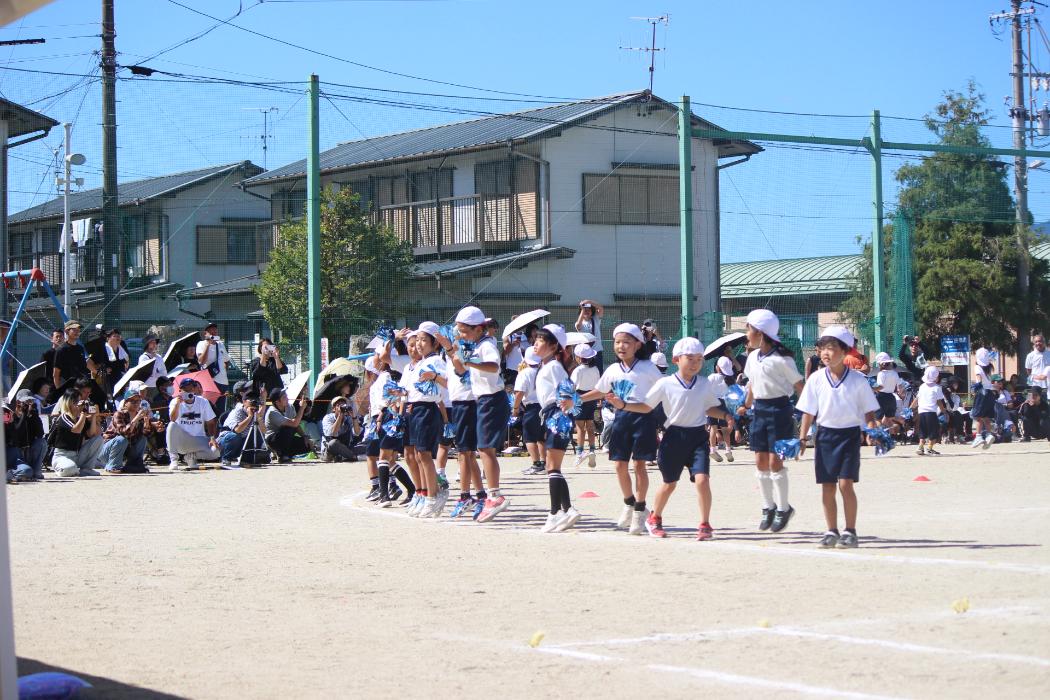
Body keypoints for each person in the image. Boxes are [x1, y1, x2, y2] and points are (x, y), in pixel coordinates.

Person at [613, 337, 736, 541]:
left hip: (698, 437)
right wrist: (623, 405)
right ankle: (655, 518)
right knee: (669, 483)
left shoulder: (704, 384)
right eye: (690, 358)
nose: (695, 363)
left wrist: (725, 415)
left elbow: (710, 407)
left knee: (702, 480)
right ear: (676, 359)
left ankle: (705, 524)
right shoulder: (665, 384)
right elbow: (646, 406)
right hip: (673, 438)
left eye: (699, 359)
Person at [797, 325, 879, 548]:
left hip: (849, 436)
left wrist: (872, 430)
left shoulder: (858, 380)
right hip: (825, 437)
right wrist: (803, 438)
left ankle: (850, 531)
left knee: (845, 484)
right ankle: (831, 530)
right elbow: (808, 411)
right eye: (822, 348)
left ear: (845, 352)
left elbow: (869, 411)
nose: (825, 353)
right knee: (827, 486)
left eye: (831, 348)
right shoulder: (815, 379)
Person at [580, 322, 664, 536]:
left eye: (626, 342)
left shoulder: (647, 367)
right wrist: (575, 400)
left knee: (639, 466)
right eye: (617, 342)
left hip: (643, 418)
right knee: (619, 465)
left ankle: (639, 509)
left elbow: (664, 389)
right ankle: (629, 502)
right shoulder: (613, 369)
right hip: (621, 419)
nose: (621, 346)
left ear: (638, 344)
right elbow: (599, 390)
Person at [435, 305, 511, 523]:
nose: (462, 335)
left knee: (485, 448)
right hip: (483, 400)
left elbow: (493, 366)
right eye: (459, 330)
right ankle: (490, 496)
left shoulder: (487, 345)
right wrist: (454, 351)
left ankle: (493, 495)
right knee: (482, 448)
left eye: (465, 331)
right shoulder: (474, 345)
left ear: (479, 329)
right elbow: (460, 370)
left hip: (491, 399)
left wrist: (467, 360)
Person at [739, 309, 804, 533]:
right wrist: (745, 404)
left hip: (779, 410)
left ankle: (784, 508)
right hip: (760, 411)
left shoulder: (782, 359)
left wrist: (808, 412)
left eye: (748, 328)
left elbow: (798, 386)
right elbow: (751, 385)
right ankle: (768, 507)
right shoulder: (752, 358)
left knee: (776, 462)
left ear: (760, 332)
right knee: (759, 461)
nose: (746, 333)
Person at [533, 324, 582, 533]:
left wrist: (563, 411)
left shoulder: (553, 367)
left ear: (554, 347)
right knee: (554, 467)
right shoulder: (546, 366)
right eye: (536, 339)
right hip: (552, 415)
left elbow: (567, 390)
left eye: (541, 340)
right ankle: (567, 509)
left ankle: (555, 513)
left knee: (552, 466)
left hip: (556, 415)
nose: (536, 343)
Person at [399, 322, 449, 518]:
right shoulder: (419, 363)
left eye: (423, 340)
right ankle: (425, 493)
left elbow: (447, 383)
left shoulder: (436, 361)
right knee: (418, 455)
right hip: (414, 408)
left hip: (428, 409)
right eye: (417, 340)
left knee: (425, 454)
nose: (419, 344)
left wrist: (434, 376)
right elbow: (410, 390)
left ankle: (432, 497)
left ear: (434, 343)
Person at [167, 376, 220, 470]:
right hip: (182, 440)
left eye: (191, 388)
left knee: (215, 452)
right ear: (180, 390)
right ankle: (174, 459)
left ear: (195, 389)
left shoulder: (203, 401)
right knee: (171, 425)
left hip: (198, 438)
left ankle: (191, 457)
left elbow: (211, 422)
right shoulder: (174, 402)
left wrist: (212, 438)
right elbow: (173, 419)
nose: (189, 391)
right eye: (186, 389)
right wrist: (178, 404)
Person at [49, 389, 104, 477]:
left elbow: (92, 434)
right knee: (70, 468)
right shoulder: (64, 417)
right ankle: (65, 469)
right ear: (69, 403)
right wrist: (83, 413)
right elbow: (76, 429)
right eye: (76, 402)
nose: (79, 405)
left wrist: (94, 416)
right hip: (62, 456)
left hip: (76, 455)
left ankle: (86, 469)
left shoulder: (81, 418)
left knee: (99, 439)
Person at [512, 348, 546, 476]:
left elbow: (519, 392)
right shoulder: (543, 370)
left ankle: (536, 464)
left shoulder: (524, 373)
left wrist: (515, 408)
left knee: (529, 438)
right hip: (544, 406)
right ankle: (544, 463)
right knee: (541, 437)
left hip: (531, 407)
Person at [99, 392, 151, 474]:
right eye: (133, 401)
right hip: (107, 450)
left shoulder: (139, 416)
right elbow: (124, 432)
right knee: (122, 439)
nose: (136, 403)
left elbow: (146, 434)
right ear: (126, 403)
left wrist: (146, 421)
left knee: (143, 439)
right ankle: (112, 466)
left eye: (138, 401)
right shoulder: (119, 414)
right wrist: (135, 419)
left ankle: (135, 464)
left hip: (125, 450)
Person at [570, 343, 601, 468]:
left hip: (579, 397)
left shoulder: (578, 370)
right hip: (592, 396)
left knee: (579, 427)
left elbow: (572, 387)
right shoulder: (595, 369)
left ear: (578, 357)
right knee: (590, 425)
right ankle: (592, 450)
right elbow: (598, 385)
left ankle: (580, 452)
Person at [264, 388, 314, 462]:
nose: (287, 398)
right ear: (277, 402)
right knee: (287, 428)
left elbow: (297, 425)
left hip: (286, 437)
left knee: (307, 445)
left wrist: (304, 436)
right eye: (284, 397)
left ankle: (286, 454)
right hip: (273, 440)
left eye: (286, 396)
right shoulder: (272, 412)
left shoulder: (290, 407)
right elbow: (294, 423)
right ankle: (282, 455)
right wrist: (302, 408)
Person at [218, 391, 266, 467]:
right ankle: (226, 458)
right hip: (225, 441)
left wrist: (259, 418)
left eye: (255, 399)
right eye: (250, 400)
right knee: (234, 436)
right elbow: (237, 430)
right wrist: (249, 417)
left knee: (257, 435)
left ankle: (247, 459)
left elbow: (264, 431)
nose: (253, 402)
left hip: (241, 441)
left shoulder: (256, 412)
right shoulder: (237, 411)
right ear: (244, 402)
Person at [7, 390, 46, 480]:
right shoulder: (12, 417)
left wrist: (35, 415)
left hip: (29, 452)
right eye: (26, 402)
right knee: (26, 471)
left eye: (30, 402)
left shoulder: (31, 416)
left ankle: (36, 471)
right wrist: (23, 415)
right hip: (17, 453)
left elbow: (40, 433)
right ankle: (10, 473)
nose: (29, 405)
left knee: (42, 442)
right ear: (18, 403)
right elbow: (16, 435)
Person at [911, 366, 947, 456]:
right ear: (936, 377)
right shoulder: (937, 388)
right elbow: (939, 402)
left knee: (922, 431)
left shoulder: (922, 386)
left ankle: (920, 447)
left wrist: (910, 408)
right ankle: (930, 448)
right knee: (934, 431)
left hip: (921, 412)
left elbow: (916, 399)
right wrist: (944, 411)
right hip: (931, 412)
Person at [707, 356, 736, 463]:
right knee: (724, 429)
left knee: (713, 428)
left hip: (712, 402)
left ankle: (712, 449)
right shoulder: (728, 380)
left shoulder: (712, 377)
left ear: (718, 367)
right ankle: (728, 450)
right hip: (723, 403)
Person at [196, 322, 231, 411]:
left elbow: (227, 361)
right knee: (209, 409)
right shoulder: (201, 344)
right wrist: (208, 345)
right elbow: (201, 361)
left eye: (215, 331)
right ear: (205, 334)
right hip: (210, 381)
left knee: (221, 410)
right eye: (211, 332)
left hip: (223, 382)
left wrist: (222, 371)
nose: (214, 333)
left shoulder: (221, 344)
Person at [52, 320, 96, 388]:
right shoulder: (61, 350)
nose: (77, 332)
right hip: (68, 389)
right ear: (67, 331)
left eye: (78, 330)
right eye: (74, 330)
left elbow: (83, 368)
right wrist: (59, 391)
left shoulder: (80, 348)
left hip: (81, 387)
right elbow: (56, 374)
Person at [970, 347, 997, 449]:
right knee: (986, 417)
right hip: (990, 393)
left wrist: (976, 387)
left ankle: (978, 436)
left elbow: (979, 379)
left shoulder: (977, 367)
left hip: (982, 393)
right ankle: (989, 434)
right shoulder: (989, 367)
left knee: (978, 416)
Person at [321, 395, 359, 462]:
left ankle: (345, 456)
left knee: (365, 445)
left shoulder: (347, 418)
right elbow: (332, 433)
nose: (342, 407)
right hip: (330, 449)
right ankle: (351, 456)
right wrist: (340, 416)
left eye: (343, 405)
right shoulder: (328, 418)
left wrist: (354, 417)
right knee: (334, 443)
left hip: (344, 447)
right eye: (339, 405)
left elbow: (357, 432)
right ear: (334, 408)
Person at [872, 352, 900, 431]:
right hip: (891, 397)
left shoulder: (881, 374)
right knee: (889, 419)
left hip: (881, 397)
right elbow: (899, 386)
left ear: (882, 364)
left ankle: (880, 437)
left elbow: (881, 386)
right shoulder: (895, 373)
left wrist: (871, 389)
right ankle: (890, 438)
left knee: (878, 419)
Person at [98, 328, 130, 397]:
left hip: (120, 382)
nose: (118, 337)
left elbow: (127, 360)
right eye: (115, 335)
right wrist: (100, 371)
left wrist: (126, 365)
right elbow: (89, 362)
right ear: (108, 338)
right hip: (107, 383)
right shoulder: (103, 349)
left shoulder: (121, 349)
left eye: (119, 335)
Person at [575, 300, 605, 371]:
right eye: (585, 310)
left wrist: (590, 302)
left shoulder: (595, 319)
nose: (587, 311)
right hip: (585, 353)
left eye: (589, 310)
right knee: (586, 373)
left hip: (597, 351)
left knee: (598, 373)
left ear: (592, 311)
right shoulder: (579, 323)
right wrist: (582, 309)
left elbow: (601, 309)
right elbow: (578, 326)